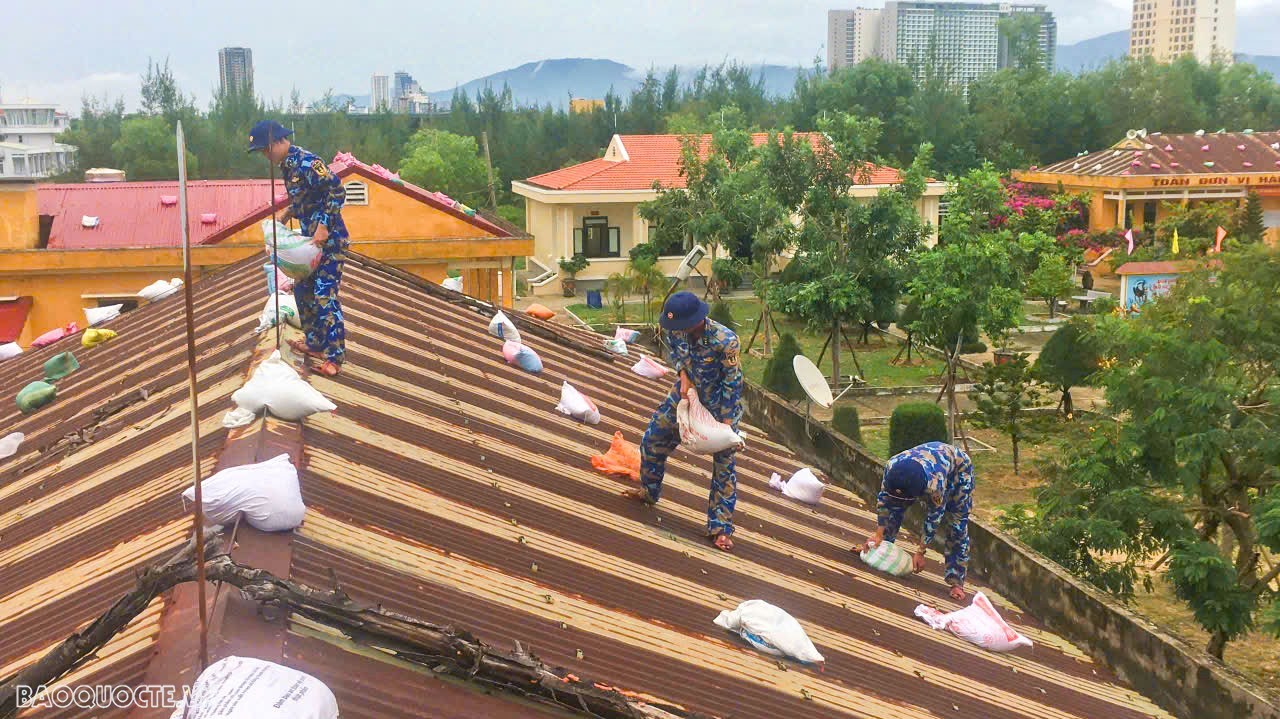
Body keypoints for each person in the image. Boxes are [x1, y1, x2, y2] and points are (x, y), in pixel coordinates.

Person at [624, 291, 743, 551]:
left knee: (724, 467)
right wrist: (683, 377)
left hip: (720, 407)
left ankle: (720, 528)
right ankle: (649, 491)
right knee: (653, 439)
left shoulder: (726, 341)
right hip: (685, 398)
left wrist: (724, 424)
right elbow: (676, 352)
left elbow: (733, 384)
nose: (676, 330)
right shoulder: (676, 329)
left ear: (696, 321)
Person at [248, 119, 348, 377]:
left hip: (331, 242)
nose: (265, 155)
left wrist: (324, 225)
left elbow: (336, 191)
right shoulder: (287, 166)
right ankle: (315, 342)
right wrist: (283, 216)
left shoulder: (307, 162)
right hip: (310, 244)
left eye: (266, 149)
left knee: (325, 295)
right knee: (303, 289)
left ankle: (335, 356)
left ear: (279, 141)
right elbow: (304, 198)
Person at [863, 441, 973, 600]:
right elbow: (885, 502)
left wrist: (921, 552)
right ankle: (882, 550)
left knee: (957, 525)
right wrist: (878, 535)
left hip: (958, 469)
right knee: (894, 508)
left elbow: (934, 518)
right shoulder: (891, 467)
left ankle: (956, 582)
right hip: (921, 466)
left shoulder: (935, 486)